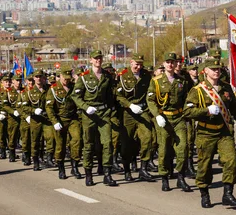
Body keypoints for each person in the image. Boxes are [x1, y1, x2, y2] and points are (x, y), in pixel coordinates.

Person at [183, 58, 236, 208]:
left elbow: (234, 107)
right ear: (205, 71)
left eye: (218, 69)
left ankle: (228, 194)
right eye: (213, 69)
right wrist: (206, 111)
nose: (217, 71)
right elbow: (187, 111)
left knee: (231, 161)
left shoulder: (226, 87)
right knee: (205, 166)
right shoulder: (197, 90)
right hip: (206, 132)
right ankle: (204, 193)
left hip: (224, 131)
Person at [147, 52, 192, 193]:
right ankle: (164, 177)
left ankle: (180, 177)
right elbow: (150, 100)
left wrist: (188, 110)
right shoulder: (156, 81)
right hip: (164, 118)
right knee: (164, 149)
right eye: (168, 62)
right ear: (164, 64)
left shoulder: (181, 80)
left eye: (173, 62)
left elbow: (186, 99)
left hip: (178, 117)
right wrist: (157, 115)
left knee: (183, 147)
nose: (171, 64)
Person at [72, 50, 115, 186]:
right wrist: (85, 107)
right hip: (89, 115)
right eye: (95, 59)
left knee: (107, 143)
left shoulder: (107, 76)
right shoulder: (84, 77)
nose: (98, 61)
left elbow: (110, 95)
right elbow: (75, 96)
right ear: (91, 60)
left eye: (100, 58)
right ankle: (88, 174)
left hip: (103, 113)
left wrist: (110, 109)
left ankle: (107, 174)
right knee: (88, 145)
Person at [115, 54, 155, 182]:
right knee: (127, 142)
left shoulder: (146, 75)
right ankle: (127, 169)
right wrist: (130, 105)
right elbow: (118, 96)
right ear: (131, 62)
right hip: (128, 112)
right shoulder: (123, 76)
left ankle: (143, 167)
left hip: (142, 110)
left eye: (140, 65)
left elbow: (150, 92)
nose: (138, 67)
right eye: (136, 64)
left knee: (148, 137)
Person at [47, 68, 82, 180]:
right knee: (60, 145)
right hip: (60, 119)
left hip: (73, 118)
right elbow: (49, 107)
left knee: (77, 140)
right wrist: (55, 122)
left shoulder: (73, 87)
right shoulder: (53, 89)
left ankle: (75, 166)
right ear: (60, 76)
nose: (66, 81)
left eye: (68, 79)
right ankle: (61, 168)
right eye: (64, 78)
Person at [24, 69, 50, 171]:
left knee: (50, 138)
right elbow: (24, 107)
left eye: (40, 77)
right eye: (37, 77)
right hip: (36, 120)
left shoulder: (49, 89)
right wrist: (34, 110)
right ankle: (35, 161)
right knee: (35, 141)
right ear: (34, 78)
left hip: (47, 118)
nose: (38, 79)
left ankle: (48, 158)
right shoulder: (29, 92)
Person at [0, 75, 23, 163]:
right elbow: (5, 105)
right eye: (16, 80)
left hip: (24, 116)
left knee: (25, 135)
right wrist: (13, 112)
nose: (18, 82)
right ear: (13, 81)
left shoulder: (24, 91)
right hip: (13, 117)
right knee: (12, 135)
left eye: (20, 80)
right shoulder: (9, 92)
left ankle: (25, 154)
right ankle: (12, 153)